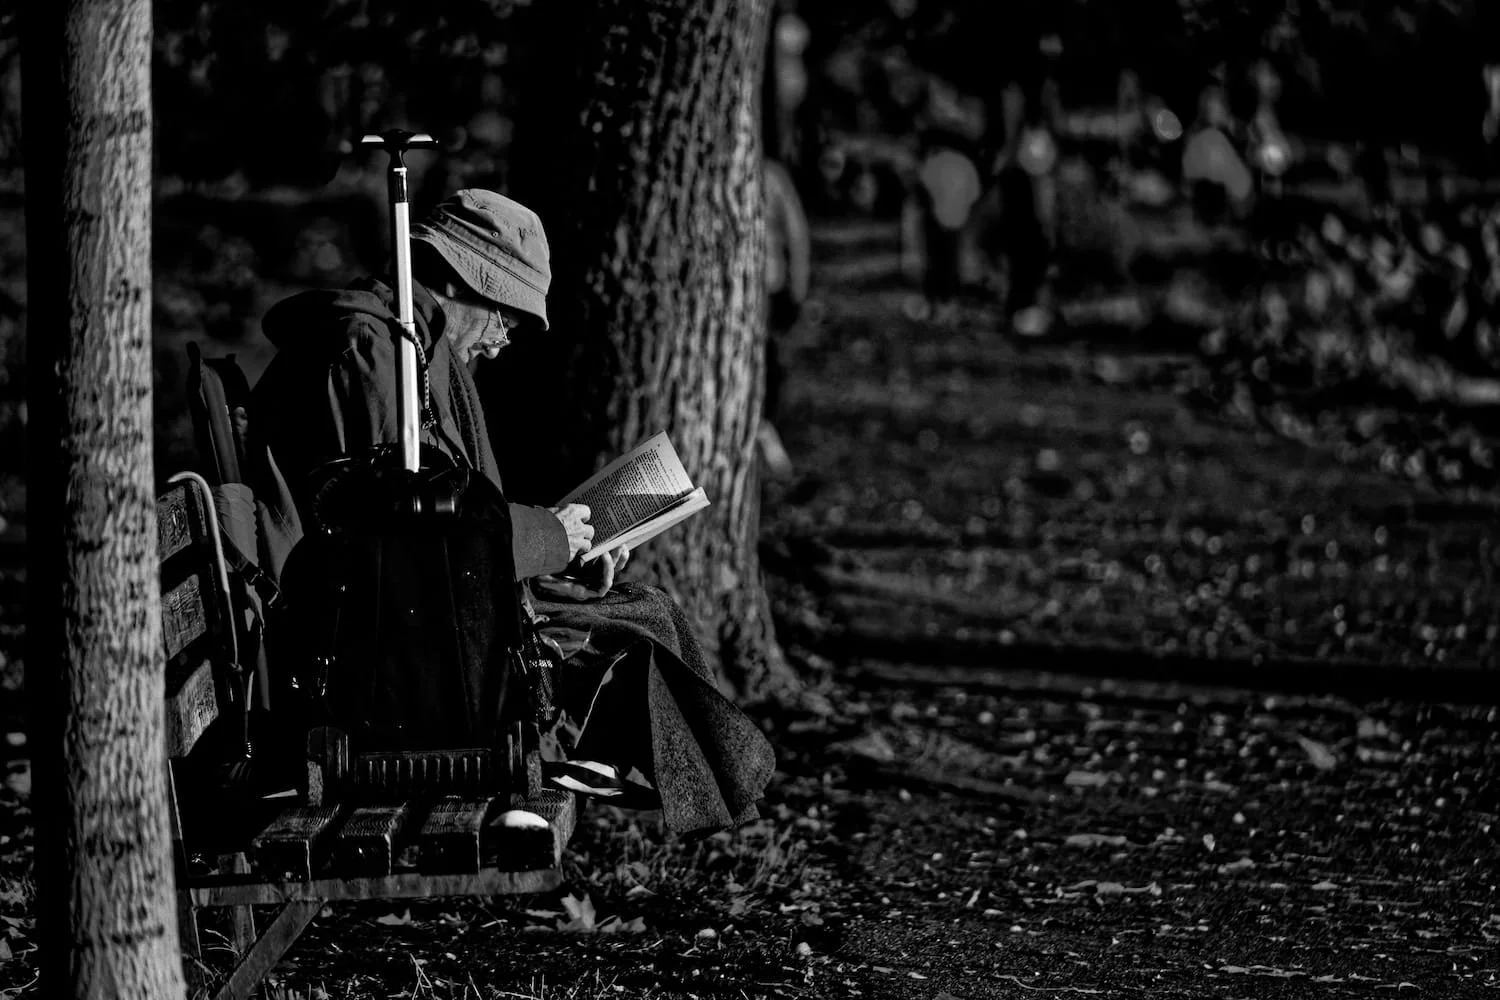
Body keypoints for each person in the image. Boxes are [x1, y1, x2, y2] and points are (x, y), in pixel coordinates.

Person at [251, 189, 775, 835]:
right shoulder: (373, 351)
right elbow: (391, 540)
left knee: (645, 610)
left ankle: (666, 788)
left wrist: (556, 551)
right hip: (377, 657)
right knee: (637, 628)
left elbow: (433, 518)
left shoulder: (411, 350)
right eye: (505, 315)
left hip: (416, 625)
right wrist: (545, 538)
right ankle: (607, 772)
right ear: (450, 278)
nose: (502, 342)